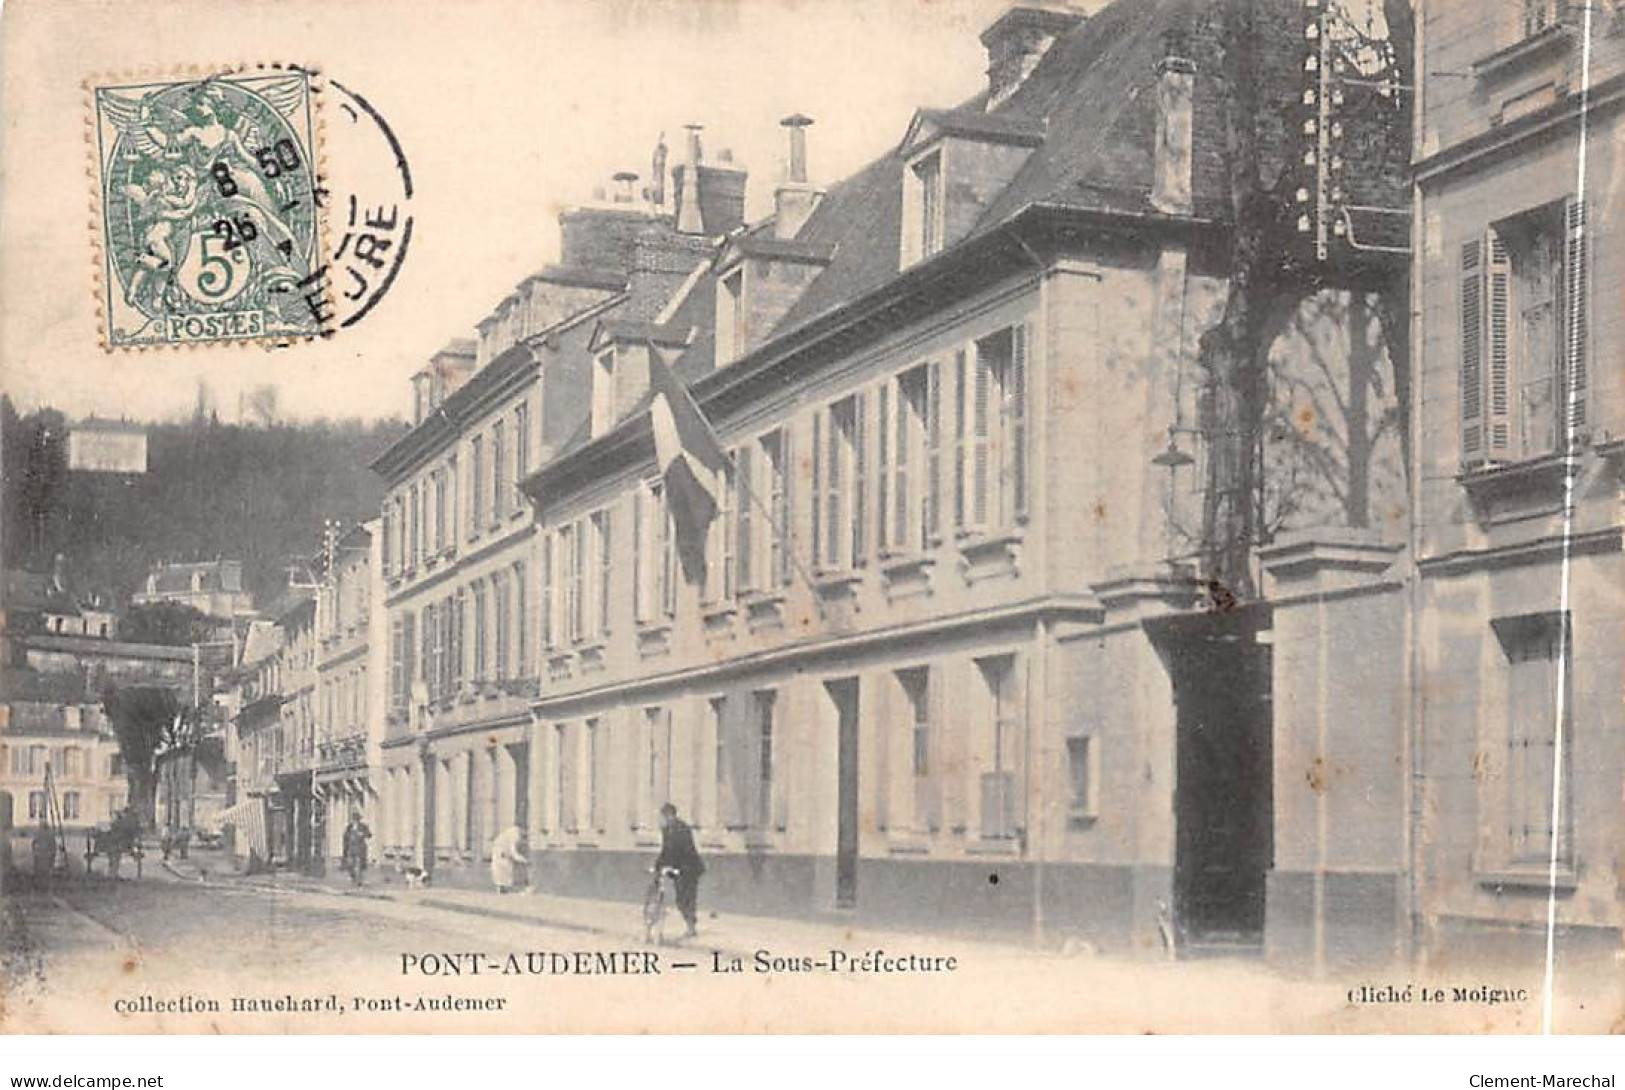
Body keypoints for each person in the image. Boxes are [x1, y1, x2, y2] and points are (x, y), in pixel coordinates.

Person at [654, 803, 705, 938]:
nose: (662, 819)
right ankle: (691, 926)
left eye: (664, 816)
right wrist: (658, 865)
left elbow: (676, 849)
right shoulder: (669, 829)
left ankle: (691, 927)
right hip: (682, 867)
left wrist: (666, 865)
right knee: (682, 899)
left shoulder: (680, 828)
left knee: (686, 898)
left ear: (669, 815)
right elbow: (665, 851)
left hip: (689, 867)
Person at [489, 825, 526, 894]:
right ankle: (503, 889)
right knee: (505, 872)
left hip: (499, 855)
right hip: (501, 856)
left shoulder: (505, 835)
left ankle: (501, 889)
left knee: (501, 874)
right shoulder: (513, 835)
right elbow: (512, 851)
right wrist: (521, 859)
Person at [341, 812, 372, 888]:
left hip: (360, 848)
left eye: (357, 819)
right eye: (354, 819)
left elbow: (369, 834)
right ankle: (353, 877)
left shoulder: (363, 826)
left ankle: (359, 881)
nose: (355, 821)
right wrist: (346, 846)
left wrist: (362, 834)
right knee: (350, 864)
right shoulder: (349, 827)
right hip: (351, 848)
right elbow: (345, 836)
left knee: (359, 865)